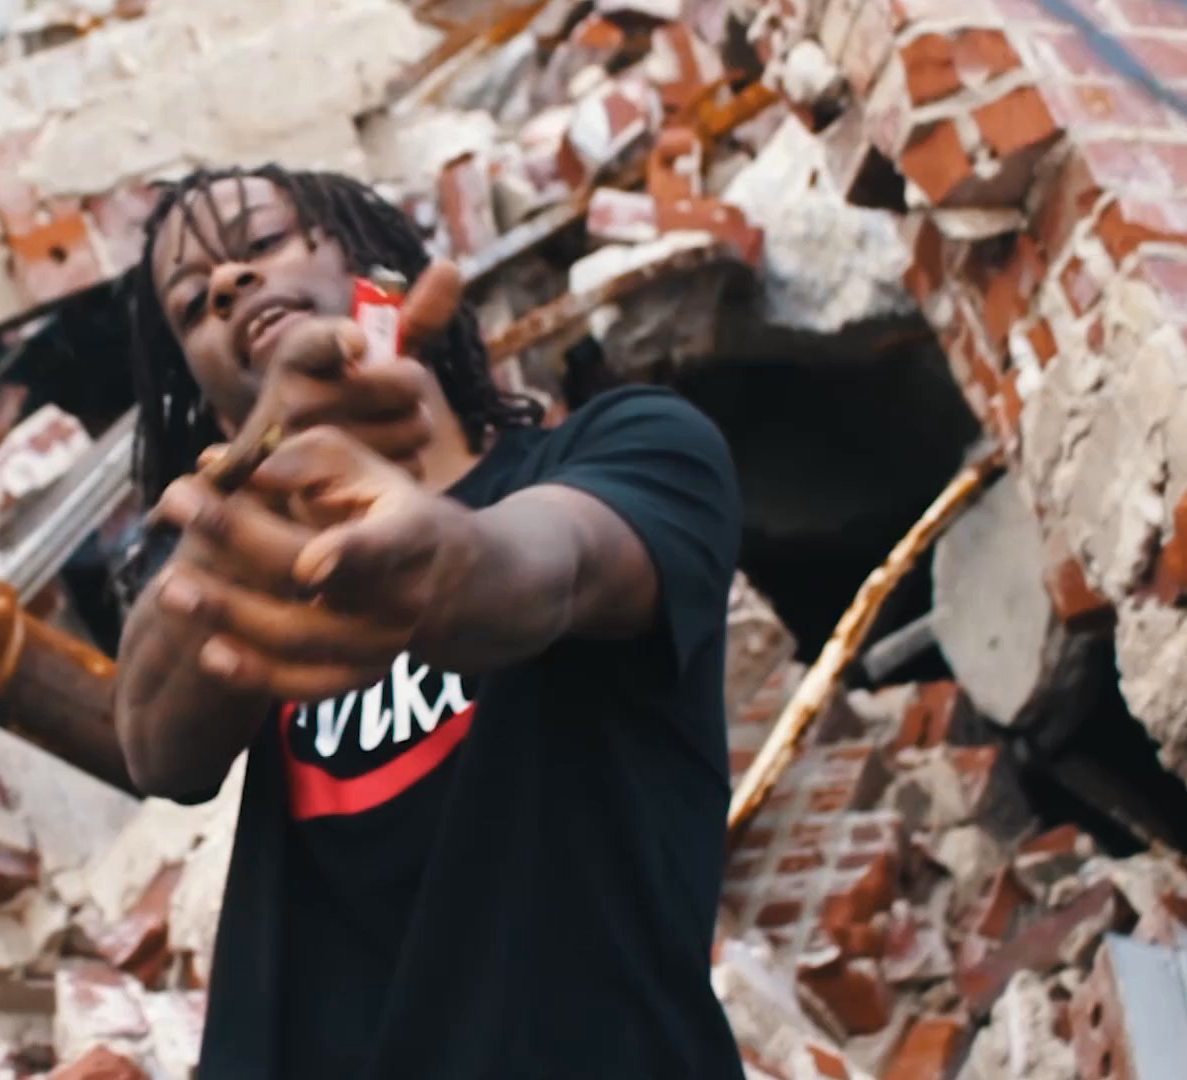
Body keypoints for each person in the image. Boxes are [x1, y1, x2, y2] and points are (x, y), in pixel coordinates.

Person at [112, 164, 748, 1079]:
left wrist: (448, 559)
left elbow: (558, 562)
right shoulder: (251, 576)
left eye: (262, 242)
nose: (226, 282)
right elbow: (153, 745)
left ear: (381, 273)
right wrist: (256, 483)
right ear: (212, 402)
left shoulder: (637, 445)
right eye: (190, 303)